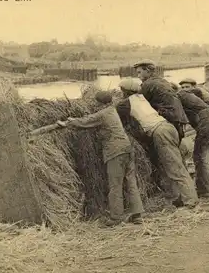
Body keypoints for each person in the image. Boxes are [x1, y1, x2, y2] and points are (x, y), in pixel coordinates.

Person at [58, 91, 145, 226]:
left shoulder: (103, 114)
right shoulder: (112, 110)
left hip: (115, 151)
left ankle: (116, 218)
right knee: (131, 182)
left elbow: (86, 121)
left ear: (99, 103)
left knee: (115, 184)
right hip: (127, 148)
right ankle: (137, 214)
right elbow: (92, 118)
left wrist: (67, 123)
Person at [116, 78, 199, 209]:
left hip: (161, 132)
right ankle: (179, 198)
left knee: (174, 168)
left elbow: (114, 113)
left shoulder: (126, 103)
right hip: (168, 127)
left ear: (125, 92)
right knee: (173, 165)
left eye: (121, 91)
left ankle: (191, 201)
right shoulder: (142, 98)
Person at [133, 60, 190, 144]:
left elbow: (138, 103)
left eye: (139, 72)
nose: (138, 76)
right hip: (179, 119)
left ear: (147, 71)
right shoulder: (163, 81)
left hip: (168, 120)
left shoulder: (148, 84)